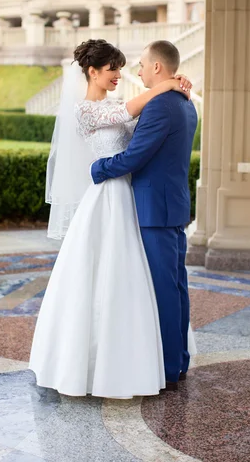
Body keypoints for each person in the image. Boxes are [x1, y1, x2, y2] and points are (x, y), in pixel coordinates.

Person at [29, 39, 192, 398]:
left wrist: (171, 88)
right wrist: (167, 84)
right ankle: (99, 363)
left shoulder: (121, 104)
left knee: (138, 280)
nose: (120, 75)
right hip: (106, 197)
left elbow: (139, 136)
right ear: (92, 72)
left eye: (121, 68)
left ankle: (141, 356)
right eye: (112, 69)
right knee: (103, 276)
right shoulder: (85, 110)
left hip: (131, 199)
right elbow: (128, 114)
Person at [91, 40, 198, 389]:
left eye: (140, 65)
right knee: (176, 287)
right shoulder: (185, 102)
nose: (136, 72)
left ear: (157, 67)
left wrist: (98, 168)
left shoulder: (161, 106)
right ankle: (178, 361)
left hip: (155, 211)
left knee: (164, 291)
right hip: (173, 206)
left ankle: (167, 369)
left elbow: (135, 157)